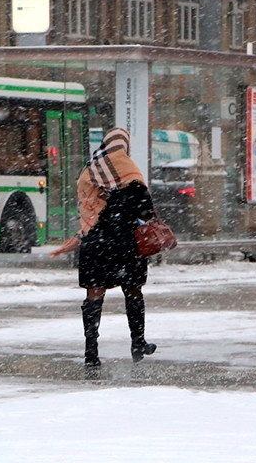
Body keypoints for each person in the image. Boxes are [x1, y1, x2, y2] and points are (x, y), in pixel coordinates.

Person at [52, 127, 158, 369]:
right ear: (124, 146)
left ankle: (91, 352)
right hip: (126, 244)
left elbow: (87, 207)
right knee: (133, 292)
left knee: (94, 295)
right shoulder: (130, 171)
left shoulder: (90, 171)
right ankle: (138, 343)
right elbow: (146, 210)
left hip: (96, 244)